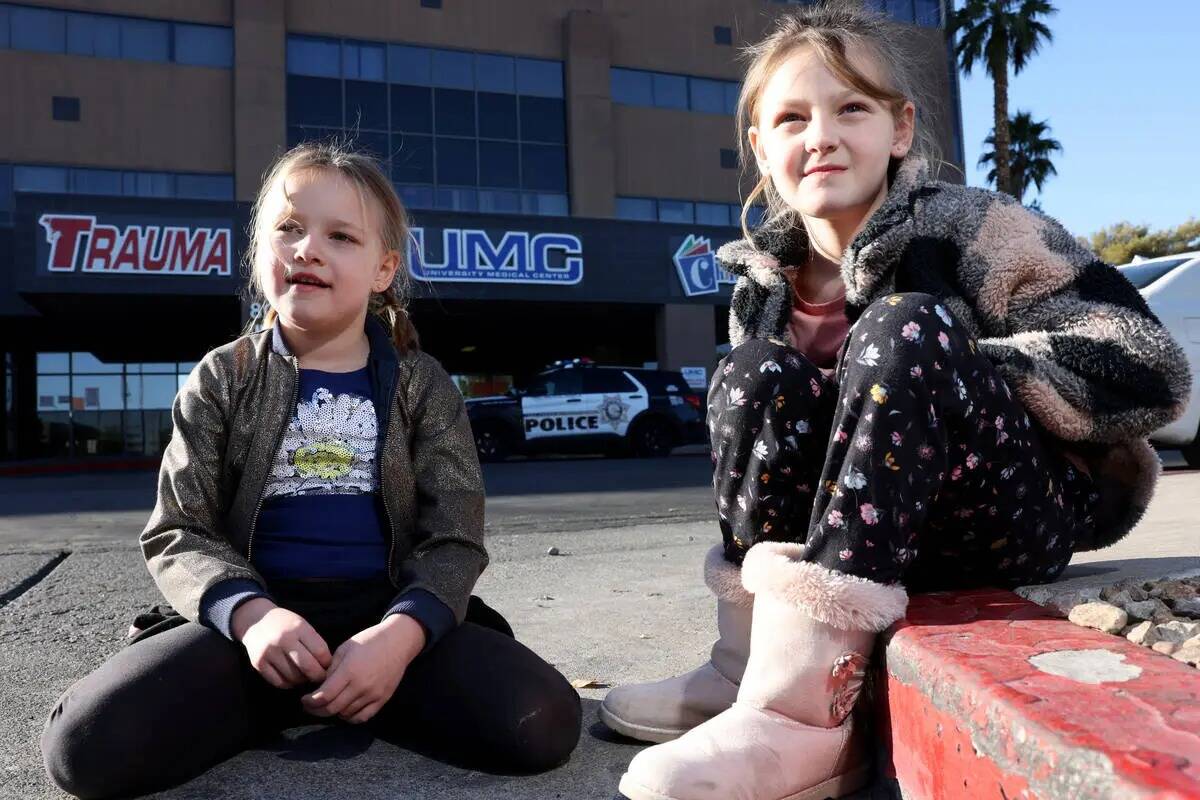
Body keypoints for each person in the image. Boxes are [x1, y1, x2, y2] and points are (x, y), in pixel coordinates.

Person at [606, 3, 1190, 799]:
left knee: (904, 325)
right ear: (760, 149)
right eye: (791, 117)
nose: (821, 135)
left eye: (851, 107)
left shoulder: (975, 226)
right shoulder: (762, 283)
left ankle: (808, 716)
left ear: (901, 128)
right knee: (749, 374)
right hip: (869, 547)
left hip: (1006, 518)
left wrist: (939, 367)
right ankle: (747, 662)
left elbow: (1148, 365)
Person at [41, 142, 581, 799]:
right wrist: (251, 618)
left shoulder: (423, 386)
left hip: (387, 620)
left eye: (341, 235)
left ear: (383, 269)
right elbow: (178, 529)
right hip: (257, 623)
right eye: (289, 228)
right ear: (260, 252)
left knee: (545, 723)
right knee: (83, 747)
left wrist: (400, 637)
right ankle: (283, 694)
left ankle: (363, 685)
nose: (308, 248)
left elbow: (455, 538)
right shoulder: (222, 377)